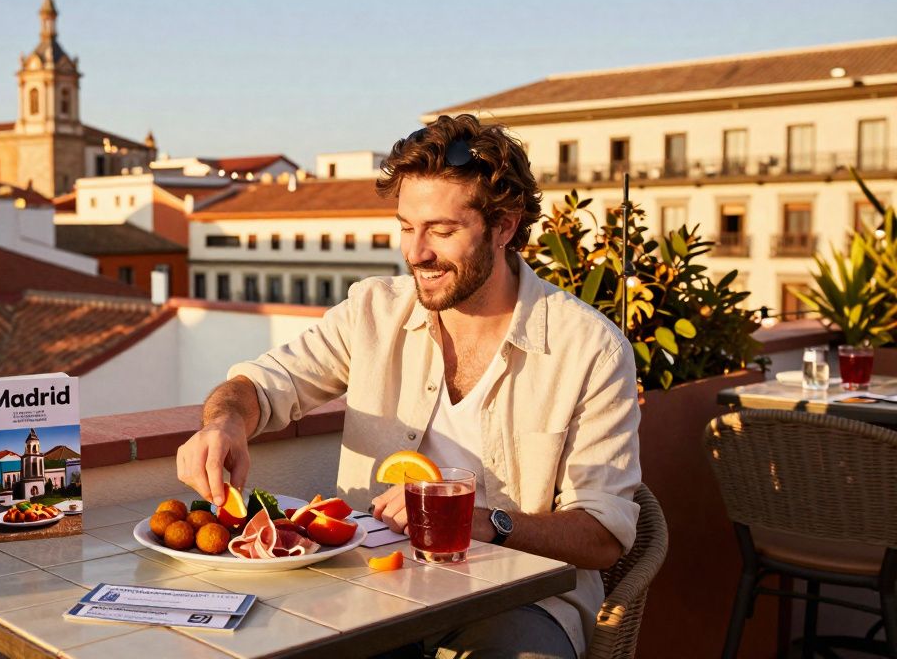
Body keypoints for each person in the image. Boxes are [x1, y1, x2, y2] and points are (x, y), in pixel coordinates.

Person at [175, 114, 641, 658]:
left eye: (442, 231)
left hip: (516, 604)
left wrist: (486, 522)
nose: (416, 252)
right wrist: (224, 423)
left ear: (504, 226)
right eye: (405, 227)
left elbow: (603, 536)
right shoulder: (372, 309)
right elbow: (261, 384)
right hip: (370, 585)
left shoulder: (592, 348)